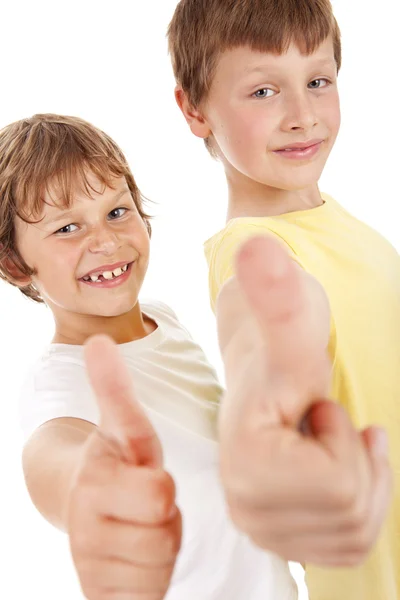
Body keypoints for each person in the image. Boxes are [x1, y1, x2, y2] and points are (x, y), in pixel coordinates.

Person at [0, 113, 298, 599]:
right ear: (14, 263)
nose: (104, 240)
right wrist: (92, 487)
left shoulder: (166, 322)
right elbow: (52, 454)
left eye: (117, 212)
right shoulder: (58, 387)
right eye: (67, 227)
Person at [168, 0, 400, 598]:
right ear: (194, 110)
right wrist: (254, 434)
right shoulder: (253, 251)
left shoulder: (341, 222)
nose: (303, 115)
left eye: (318, 81)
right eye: (264, 90)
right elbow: (260, 337)